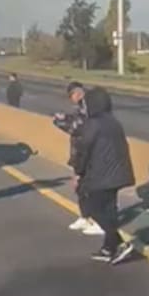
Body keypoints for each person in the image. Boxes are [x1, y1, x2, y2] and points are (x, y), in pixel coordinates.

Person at [69, 86, 135, 264]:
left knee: (92, 208)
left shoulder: (92, 124)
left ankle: (119, 242)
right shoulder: (114, 122)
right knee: (109, 209)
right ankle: (108, 248)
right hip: (118, 173)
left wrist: (78, 174)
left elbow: (83, 151)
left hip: (100, 174)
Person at [53, 82, 103, 237]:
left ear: (78, 93)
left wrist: (60, 122)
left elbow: (78, 127)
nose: (71, 99)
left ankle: (99, 220)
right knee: (80, 187)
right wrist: (66, 117)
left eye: (71, 96)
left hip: (89, 152)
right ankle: (85, 216)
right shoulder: (82, 107)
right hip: (79, 152)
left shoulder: (90, 106)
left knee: (91, 187)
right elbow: (77, 119)